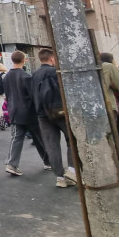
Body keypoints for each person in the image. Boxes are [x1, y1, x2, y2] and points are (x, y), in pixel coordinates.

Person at [31, 49, 76, 188]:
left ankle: (60, 177)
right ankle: (72, 170)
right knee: (73, 138)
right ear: (52, 59)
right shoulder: (55, 72)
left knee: (52, 145)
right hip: (59, 111)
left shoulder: (34, 74)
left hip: (42, 114)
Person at [3, 51, 50, 176]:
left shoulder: (6, 77)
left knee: (16, 138)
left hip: (14, 111)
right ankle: (48, 162)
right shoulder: (27, 77)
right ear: (24, 60)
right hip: (30, 112)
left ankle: (11, 164)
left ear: (12, 60)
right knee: (40, 137)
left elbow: (7, 95)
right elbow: (34, 96)